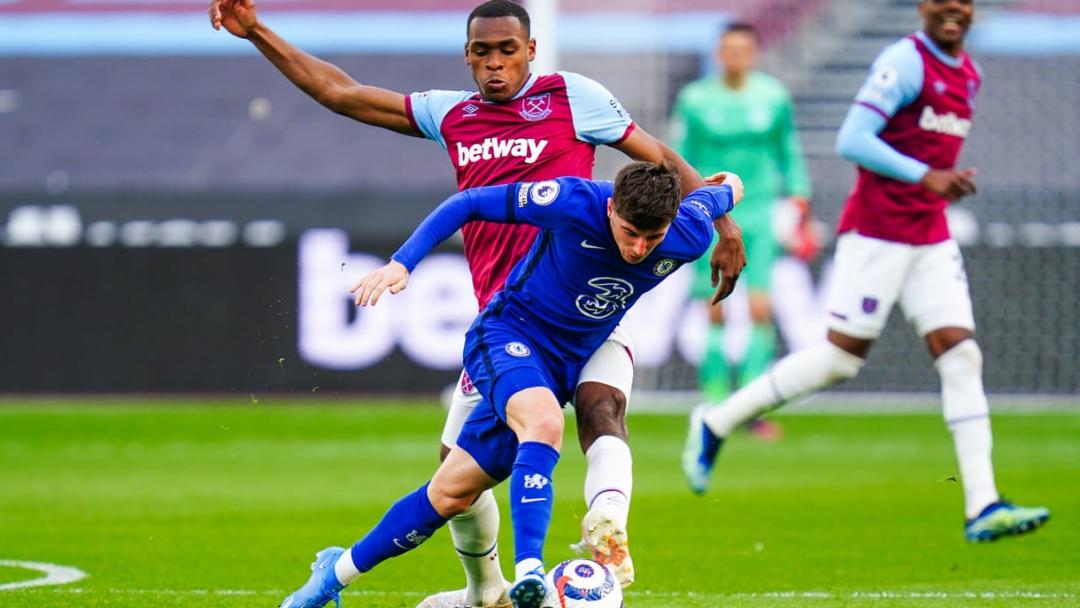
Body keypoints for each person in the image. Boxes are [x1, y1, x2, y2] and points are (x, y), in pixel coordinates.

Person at [209, 1, 746, 604]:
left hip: (586, 319)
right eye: (482, 52)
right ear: (467, 55)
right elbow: (340, 92)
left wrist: (725, 227)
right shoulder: (451, 113)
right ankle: (483, 590)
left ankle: (599, 533)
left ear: (531, 50)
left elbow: (661, 164)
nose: (495, 64)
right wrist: (256, 30)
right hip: (508, 320)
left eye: (507, 51)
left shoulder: (576, 97)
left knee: (600, 411)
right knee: (455, 481)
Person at [277, 162, 741, 608]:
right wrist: (403, 263)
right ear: (611, 210)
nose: (639, 249)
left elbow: (729, 187)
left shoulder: (690, 232)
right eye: (630, 233)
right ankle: (531, 571)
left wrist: (730, 224)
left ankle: (333, 573)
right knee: (543, 422)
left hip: (578, 351)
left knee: (451, 492)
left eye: (651, 238)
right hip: (509, 334)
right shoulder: (573, 201)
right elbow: (469, 202)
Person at [681, 0, 1050, 543]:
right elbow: (851, 138)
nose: (952, 9)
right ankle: (715, 421)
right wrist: (926, 175)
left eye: (962, 1)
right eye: (940, 0)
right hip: (877, 234)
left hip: (930, 236)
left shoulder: (968, 71)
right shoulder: (904, 62)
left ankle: (983, 505)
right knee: (838, 361)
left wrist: (931, 184)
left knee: (961, 353)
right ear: (923, 7)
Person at [671, 22, 815, 440]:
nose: (735, 56)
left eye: (742, 50)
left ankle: (751, 407)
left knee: (759, 308)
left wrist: (799, 196)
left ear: (752, 54)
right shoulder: (695, 100)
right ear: (719, 54)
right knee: (714, 308)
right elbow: (683, 156)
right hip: (709, 211)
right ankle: (714, 404)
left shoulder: (772, 97)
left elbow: (788, 149)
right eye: (728, 49)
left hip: (759, 212)